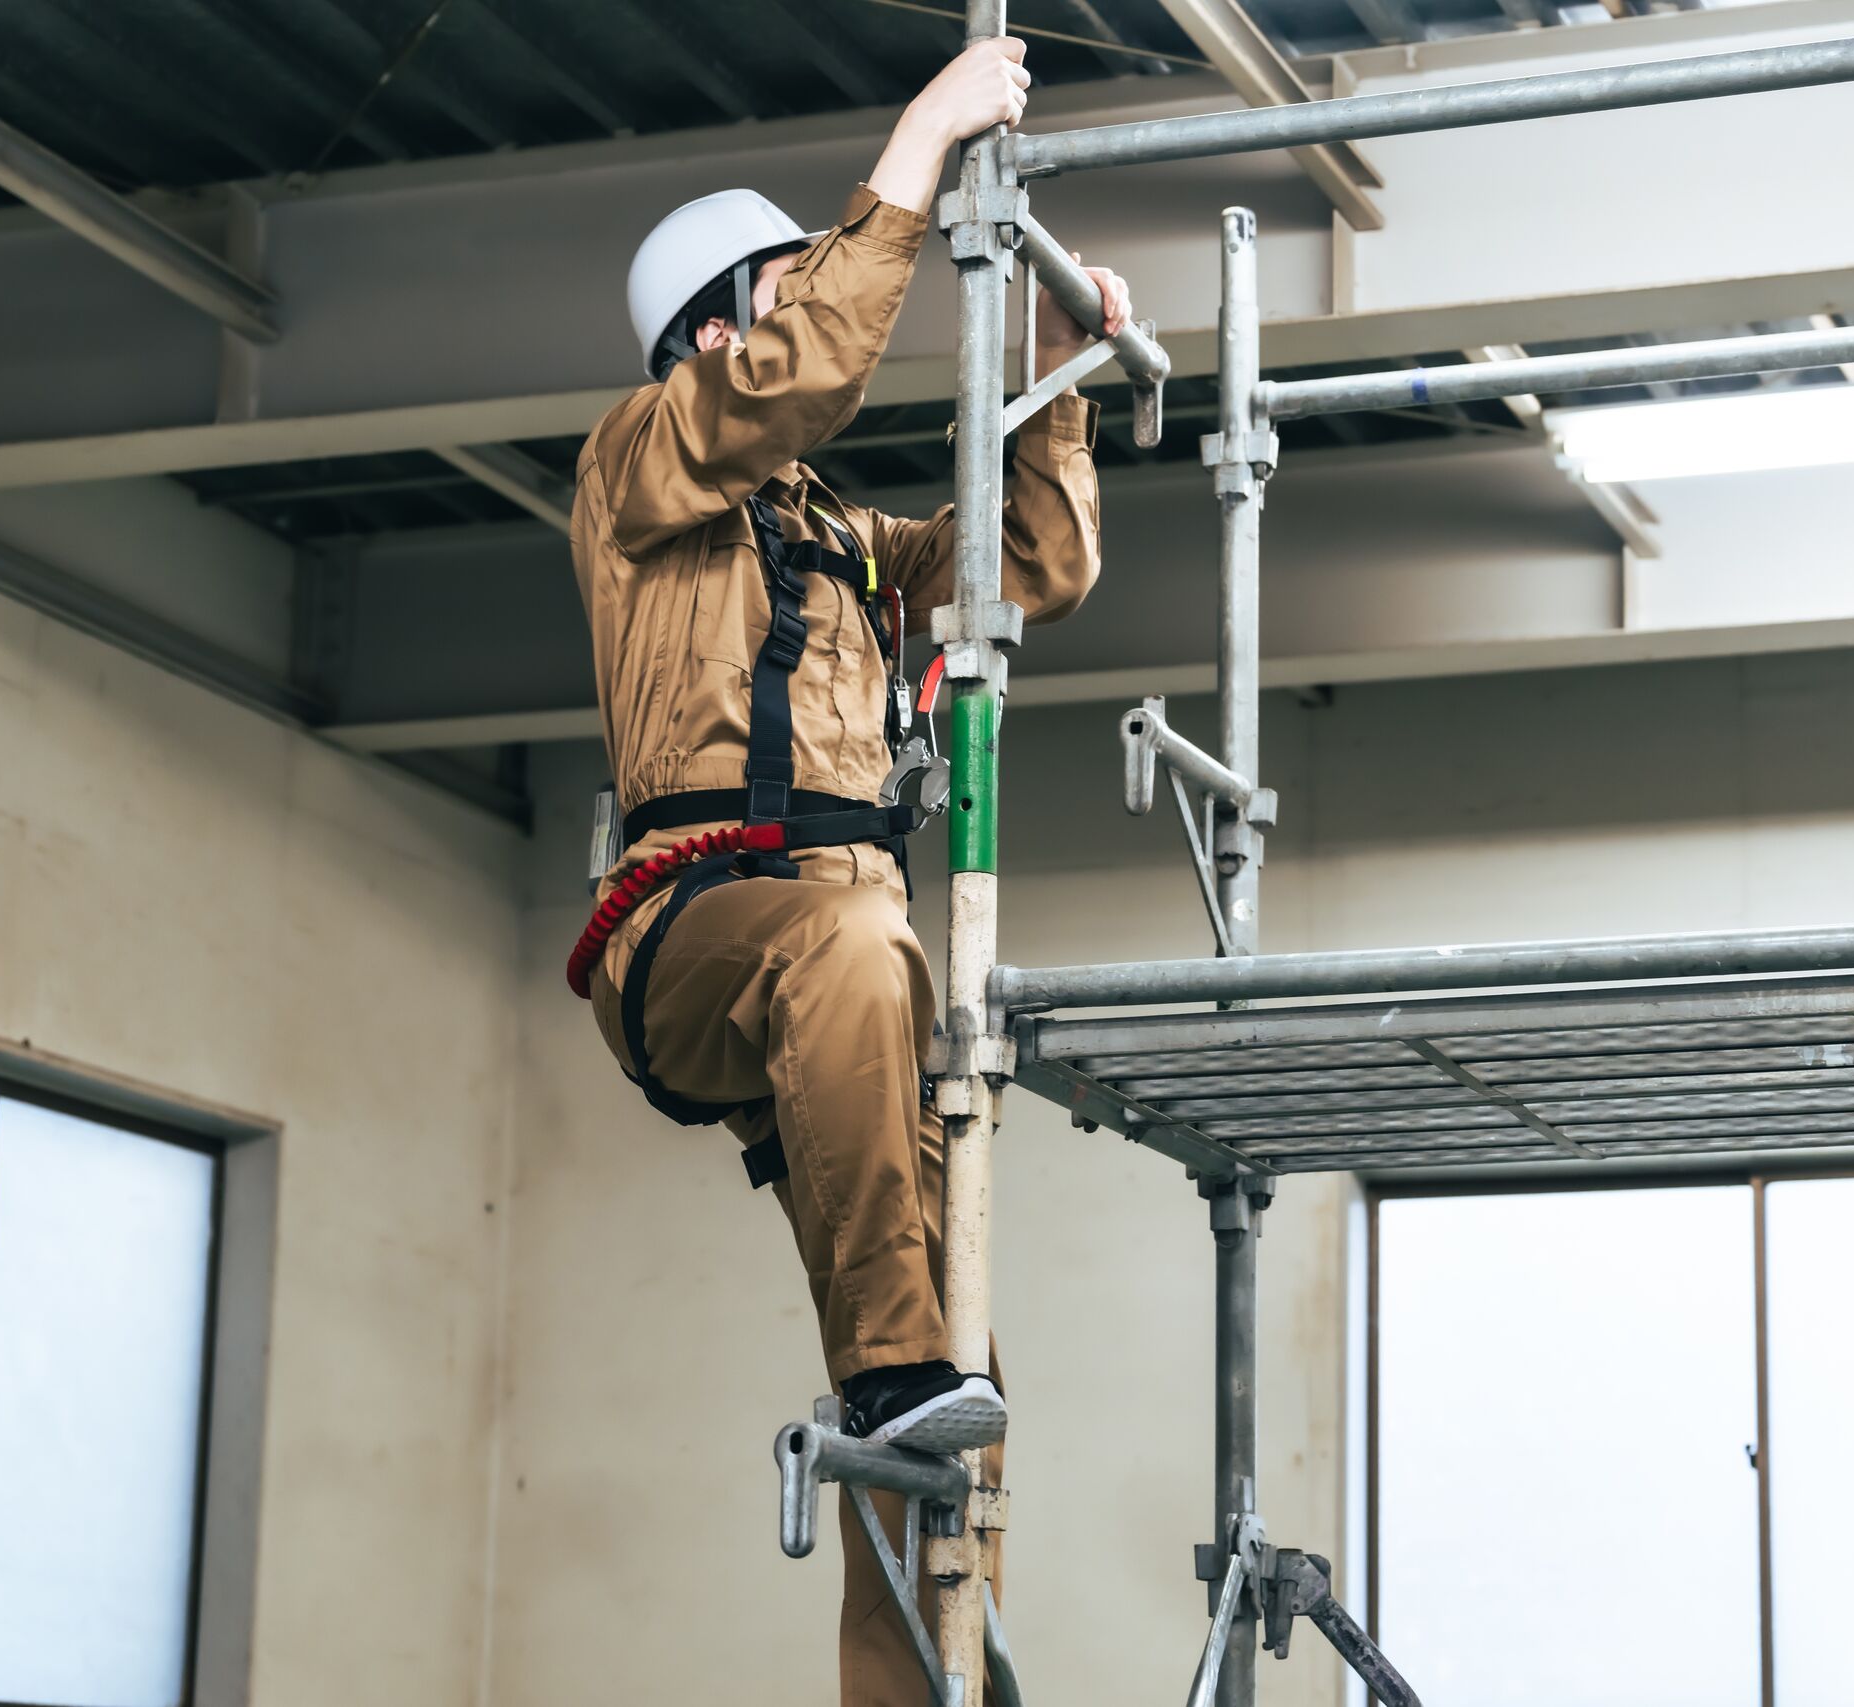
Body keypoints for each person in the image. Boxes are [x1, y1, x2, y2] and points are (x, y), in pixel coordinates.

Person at [565, 36, 1127, 1704]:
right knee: (851, 955)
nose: (794, 319)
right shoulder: (636, 468)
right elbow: (801, 375)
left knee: (969, 1370)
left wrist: (1054, 370)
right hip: (697, 929)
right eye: (772, 297)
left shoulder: (838, 542)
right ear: (709, 335)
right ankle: (891, 1376)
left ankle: (920, 1681)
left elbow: (1026, 568)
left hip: (850, 963)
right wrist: (920, 145)